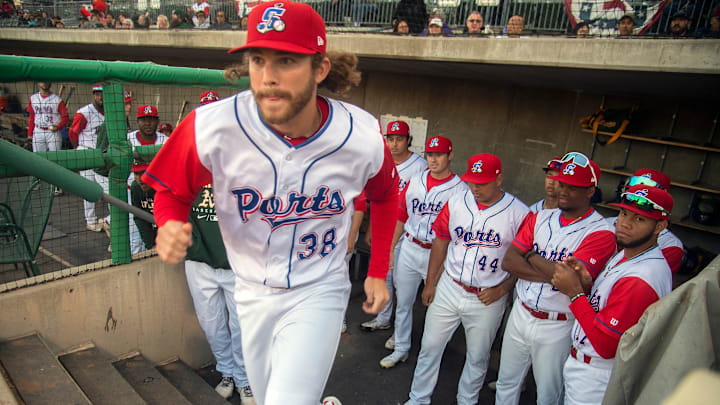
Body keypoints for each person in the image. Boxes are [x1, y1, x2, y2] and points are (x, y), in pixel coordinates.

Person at [141, 2, 398, 404]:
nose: (268, 77)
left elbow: (386, 196)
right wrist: (168, 221)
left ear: (320, 68)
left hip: (319, 288)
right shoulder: (213, 126)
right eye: (258, 59)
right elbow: (171, 190)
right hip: (251, 290)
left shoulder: (360, 134)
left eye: (286, 60)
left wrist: (378, 269)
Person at [403, 154, 529, 405]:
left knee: (478, 357)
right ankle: (418, 399)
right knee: (429, 347)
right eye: (472, 181)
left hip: (488, 296)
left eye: (482, 182)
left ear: (499, 179)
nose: (475, 187)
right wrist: (431, 282)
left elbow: (525, 258)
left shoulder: (519, 213)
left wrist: (503, 289)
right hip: (450, 286)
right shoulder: (457, 201)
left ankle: (466, 401)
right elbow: (441, 240)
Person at [495, 152, 616, 405]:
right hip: (522, 312)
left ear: (590, 191)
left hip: (558, 324)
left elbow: (571, 282)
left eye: (573, 187)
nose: (563, 190)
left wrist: (531, 255)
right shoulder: (539, 216)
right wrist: (552, 274)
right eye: (562, 183)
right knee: (506, 383)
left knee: (548, 395)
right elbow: (509, 261)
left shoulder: (601, 232)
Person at [552, 184, 674, 405]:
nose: (625, 223)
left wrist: (575, 293)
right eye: (624, 213)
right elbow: (605, 308)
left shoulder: (643, 276)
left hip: (599, 375)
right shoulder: (629, 254)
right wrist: (587, 284)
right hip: (587, 368)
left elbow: (605, 346)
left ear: (660, 226)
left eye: (639, 219)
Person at [184, 92, 254, 403]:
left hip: (238, 264)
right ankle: (227, 372)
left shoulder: (245, 160)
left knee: (242, 327)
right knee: (212, 324)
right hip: (200, 263)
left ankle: (245, 378)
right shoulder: (187, 158)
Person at [380, 136, 467, 369]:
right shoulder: (415, 180)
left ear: (450, 155)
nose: (434, 159)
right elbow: (401, 215)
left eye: (439, 154)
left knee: (436, 305)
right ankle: (401, 347)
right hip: (410, 246)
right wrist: (390, 247)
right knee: (404, 301)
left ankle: (432, 353)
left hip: (439, 254)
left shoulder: (461, 190)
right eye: (430, 154)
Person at [360, 120, 427, 337]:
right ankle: (383, 319)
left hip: (405, 231)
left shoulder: (419, 166)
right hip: (384, 229)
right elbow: (377, 198)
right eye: (391, 139)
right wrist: (371, 227)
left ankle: (400, 331)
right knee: (385, 276)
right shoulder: (381, 161)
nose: (395, 143)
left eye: (400, 139)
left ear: (409, 140)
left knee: (401, 283)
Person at [606, 168, 684, 274]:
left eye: (645, 195)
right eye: (634, 190)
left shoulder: (671, 245)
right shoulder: (604, 224)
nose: (638, 196)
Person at [127, 105, 168, 254]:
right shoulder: (128, 139)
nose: (148, 123)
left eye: (151, 119)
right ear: (138, 121)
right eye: (144, 119)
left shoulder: (166, 141)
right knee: (135, 239)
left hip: (159, 192)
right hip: (133, 192)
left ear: (157, 121)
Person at [69, 84, 107, 232]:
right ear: (93, 95)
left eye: (102, 93)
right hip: (87, 153)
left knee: (106, 189)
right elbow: (73, 132)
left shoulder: (110, 112)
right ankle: (90, 220)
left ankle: (109, 220)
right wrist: (76, 149)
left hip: (102, 155)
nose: (101, 97)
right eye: (98, 94)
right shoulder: (84, 112)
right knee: (89, 189)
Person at [26, 82, 69, 152]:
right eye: (42, 81)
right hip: (38, 131)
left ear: (50, 83)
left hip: (53, 133)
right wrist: (30, 133)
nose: (44, 83)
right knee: (38, 157)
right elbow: (31, 117)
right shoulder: (33, 98)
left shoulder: (57, 100)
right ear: (38, 83)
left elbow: (65, 117)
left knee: (55, 156)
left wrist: (58, 127)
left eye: (46, 81)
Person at [130, 163, 157, 250]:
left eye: (144, 172)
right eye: (136, 174)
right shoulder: (135, 187)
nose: (140, 178)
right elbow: (139, 217)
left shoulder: (164, 186)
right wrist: (150, 244)